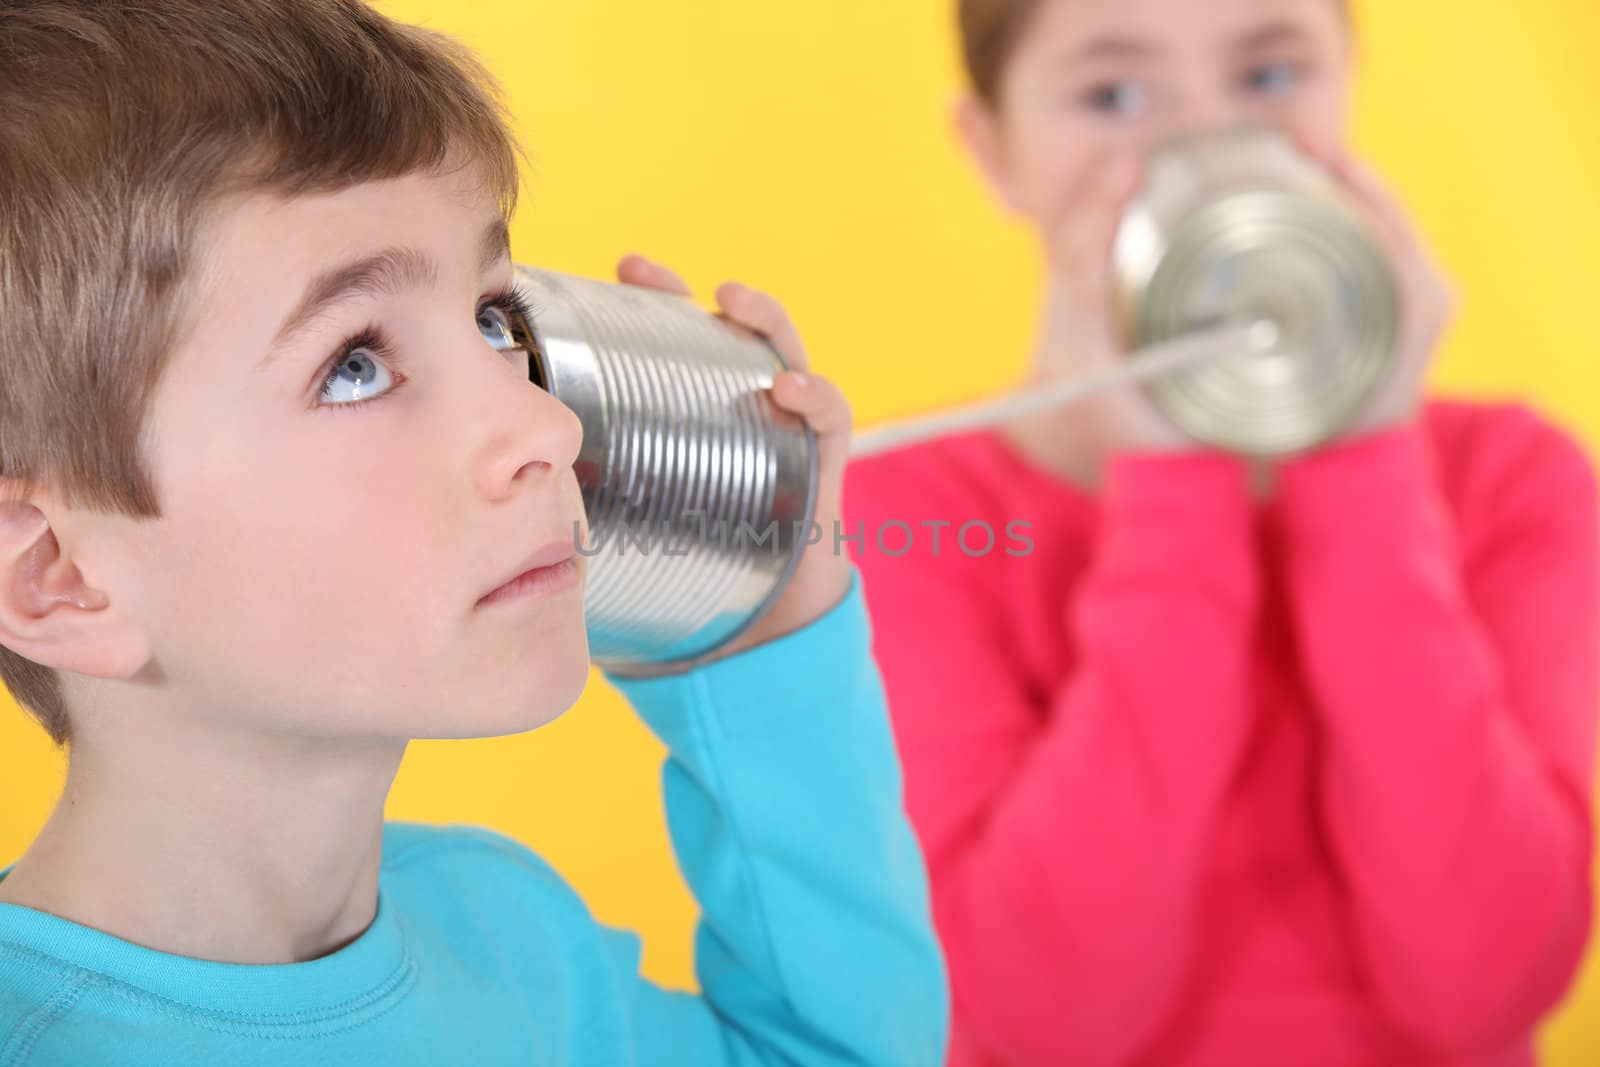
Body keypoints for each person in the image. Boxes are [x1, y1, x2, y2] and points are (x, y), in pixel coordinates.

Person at [0, 2, 949, 1064]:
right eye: (353, 364)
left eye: (497, 320)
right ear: (57, 573)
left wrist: (754, 624)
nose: (546, 422)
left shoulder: (509, 934)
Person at [842, 0, 1599, 1064]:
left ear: (1349, 83)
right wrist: (1172, 489)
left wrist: (1362, 460)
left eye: (1270, 75)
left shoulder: (1512, 480)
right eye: (1112, 94)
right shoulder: (906, 517)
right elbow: (1048, 1021)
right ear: (993, 151)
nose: (1205, 144)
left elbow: (1483, 985)